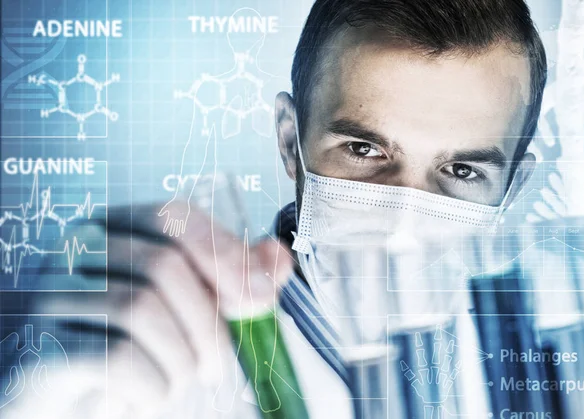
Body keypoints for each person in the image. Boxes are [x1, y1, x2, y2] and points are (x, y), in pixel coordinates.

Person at [2, 0, 547, 418]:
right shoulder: (166, 354)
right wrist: (35, 386)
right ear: (290, 142)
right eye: (364, 150)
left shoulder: (563, 354)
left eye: (462, 171)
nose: (404, 225)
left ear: (513, 189)